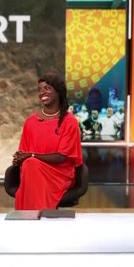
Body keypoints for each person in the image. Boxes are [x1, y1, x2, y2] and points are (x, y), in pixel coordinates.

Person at [12, 73, 83, 210]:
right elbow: (24, 153)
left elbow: (61, 157)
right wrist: (19, 159)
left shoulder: (69, 122)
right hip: (32, 171)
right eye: (39, 89)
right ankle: (34, 217)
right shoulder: (30, 122)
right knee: (29, 165)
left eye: (47, 88)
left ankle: (32, 216)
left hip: (59, 174)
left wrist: (31, 156)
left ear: (58, 92)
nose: (42, 92)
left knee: (31, 164)